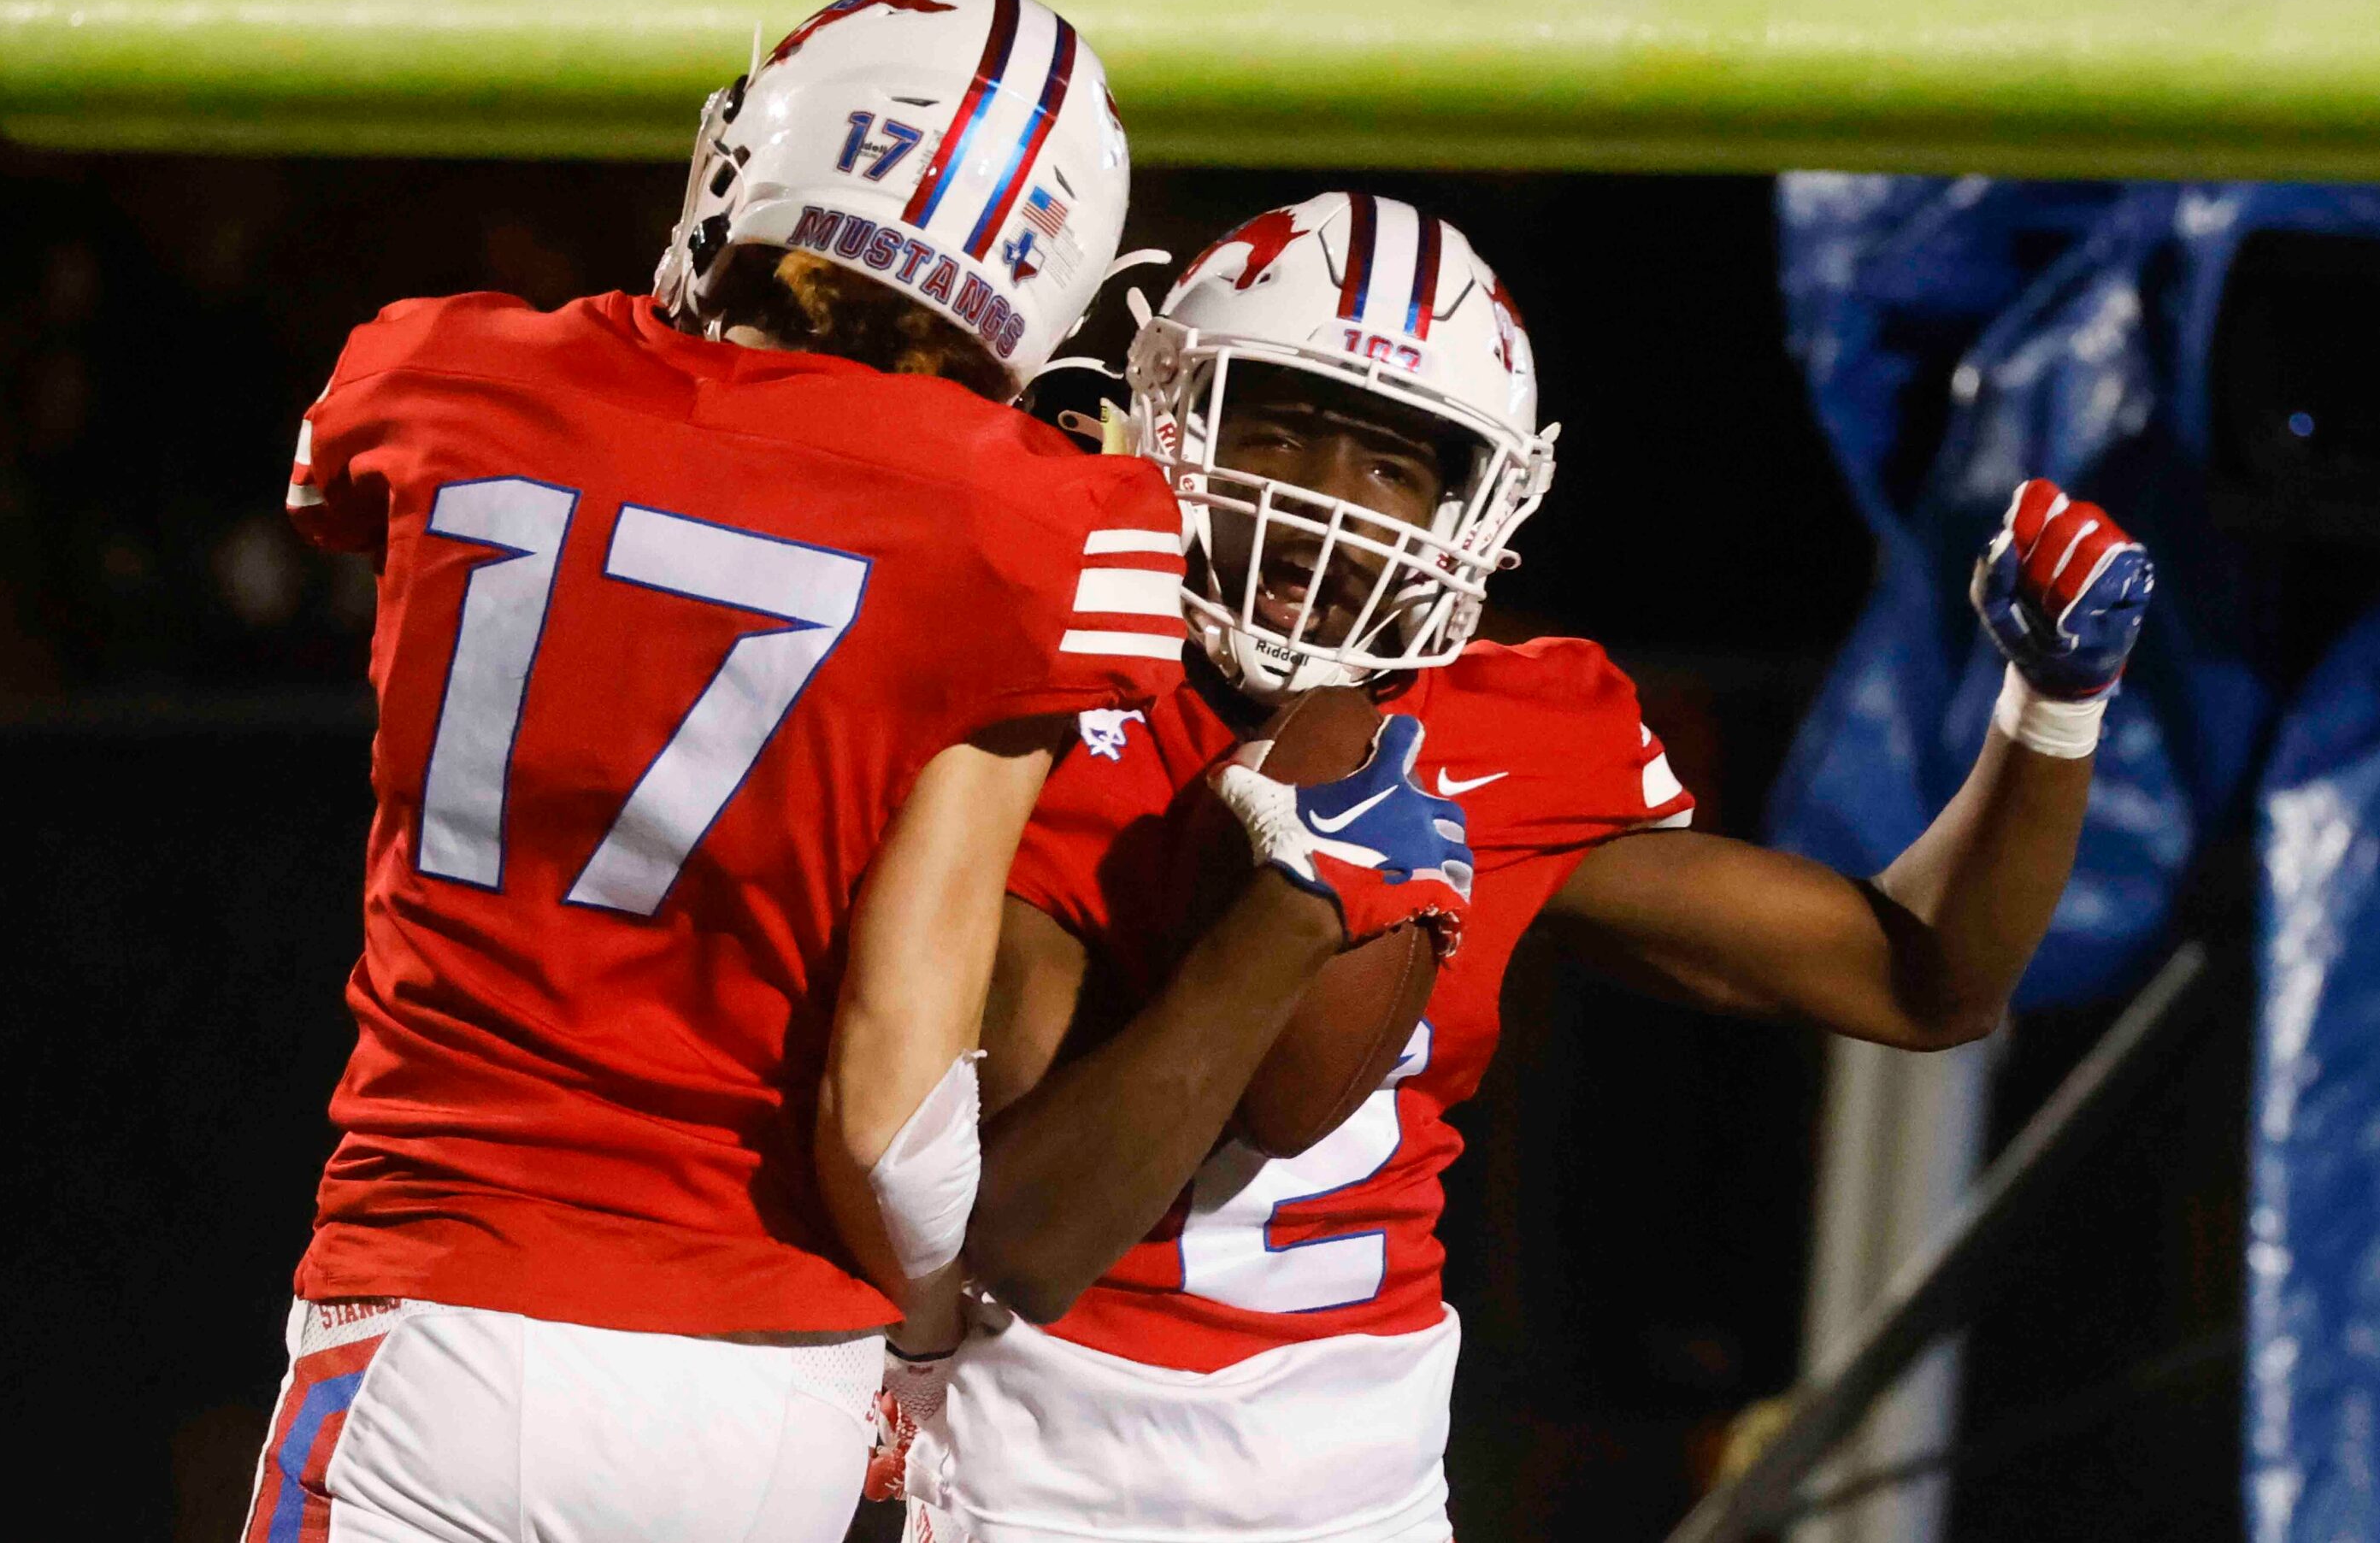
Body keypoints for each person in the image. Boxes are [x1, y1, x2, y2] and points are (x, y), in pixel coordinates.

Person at [898, 191, 2156, 1543]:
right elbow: (1025, 1242)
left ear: (1476, 502)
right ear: (1167, 419)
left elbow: (1925, 982)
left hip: (1361, 1478)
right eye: (1275, 427)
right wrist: (1290, 916)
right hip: (1032, 1457)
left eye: (1389, 466)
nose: (1324, 501)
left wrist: (2052, 706)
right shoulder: (1046, 697)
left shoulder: (1504, 728)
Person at [239, 0, 1209, 1543]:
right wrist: (923, 1304)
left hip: (443, 1302)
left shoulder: (437, 372)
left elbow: (378, 504)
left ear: (748, 166)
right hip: (767, 1387)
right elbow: (889, 1105)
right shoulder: (1043, 522)